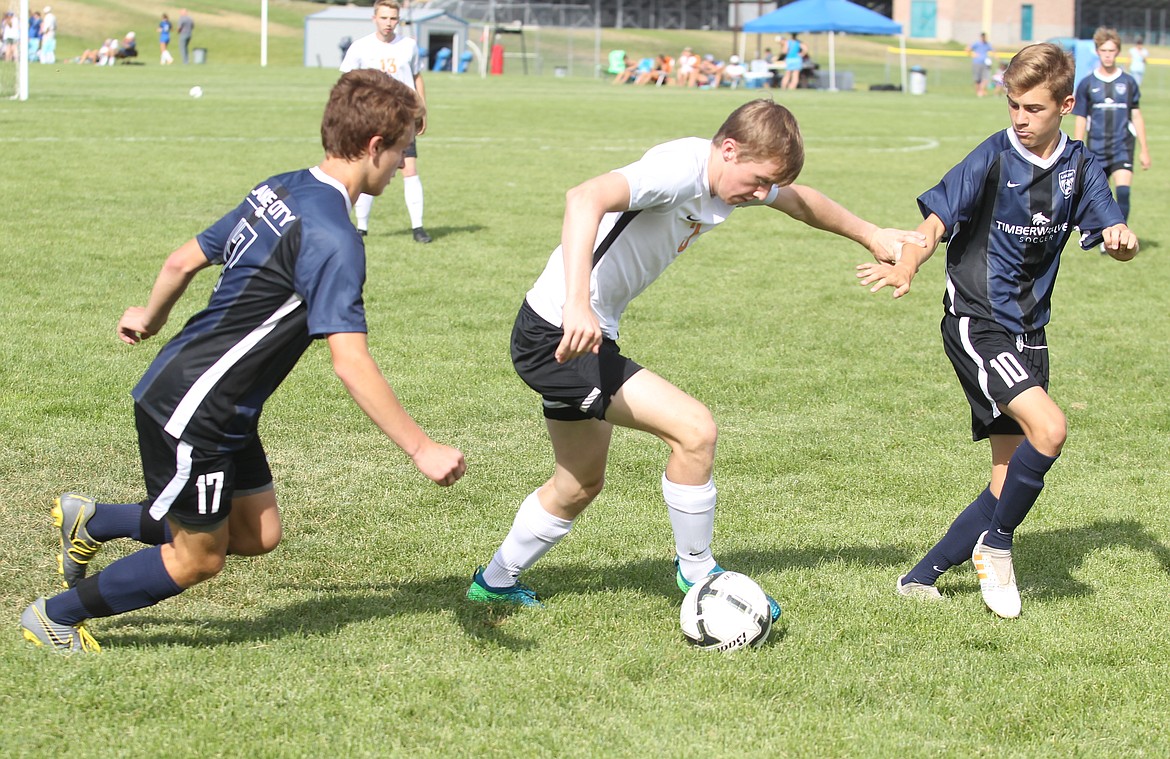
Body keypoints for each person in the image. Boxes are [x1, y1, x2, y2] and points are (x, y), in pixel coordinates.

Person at [19, 69, 467, 654]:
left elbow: (183, 261)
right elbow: (350, 362)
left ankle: (93, 521)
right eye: (406, 145)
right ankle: (53, 616)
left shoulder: (280, 187)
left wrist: (150, 318)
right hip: (192, 407)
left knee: (256, 533)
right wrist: (421, 447)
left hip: (223, 401)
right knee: (197, 558)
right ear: (375, 146)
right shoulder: (336, 238)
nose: (407, 158)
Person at [465, 99, 925, 617]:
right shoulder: (678, 170)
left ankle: (495, 581)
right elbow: (583, 198)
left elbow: (797, 200)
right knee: (694, 430)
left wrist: (871, 234)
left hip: (585, 335)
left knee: (578, 483)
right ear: (728, 149)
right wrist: (576, 304)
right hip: (557, 333)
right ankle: (699, 572)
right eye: (755, 181)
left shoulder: (730, 175)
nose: (757, 194)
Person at [857, 42, 1139, 619]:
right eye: (1013, 104)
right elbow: (935, 221)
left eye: (1032, 108)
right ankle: (997, 545)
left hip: (1031, 332)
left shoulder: (1080, 168)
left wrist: (1122, 242)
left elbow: (1112, 229)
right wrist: (908, 262)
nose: (1019, 118)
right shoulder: (991, 156)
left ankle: (921, 577)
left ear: (1065, 105)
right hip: (978, 324)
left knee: (1007, 480)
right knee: (1052, 428)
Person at [339, 0, 431, 243]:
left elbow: (416, 76)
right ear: (374, 18)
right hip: (372, 118)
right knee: (366, 168)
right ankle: (362, 227)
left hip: (403, 118)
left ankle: (418, 227)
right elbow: (347, 81)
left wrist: (422, 110)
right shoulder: (360, 47)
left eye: (393, 18)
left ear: (398, 20)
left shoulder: (408, 46)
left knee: (409, 169)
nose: (389, 23)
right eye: (384, 18)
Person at [1074, 27, 1151, 226]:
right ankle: (1103, 235)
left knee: (1123, 193)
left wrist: (1144, 150)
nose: (1108, 55)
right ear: (1098, 51)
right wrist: (1077, 151)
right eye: (1104, 51)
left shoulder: (1128, 82)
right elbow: (1081, 119)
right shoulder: (1087, 84)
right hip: (1096, 148)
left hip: (1122, 147)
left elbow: (1136, 115)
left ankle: (1120, 237)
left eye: (1112, 51)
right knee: (1099, 197)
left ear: (1118, 52)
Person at [967, 32, 994, 97]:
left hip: (985, 64)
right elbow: (967, 49)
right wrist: (972, 54)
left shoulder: (987, 44)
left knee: (985, 78)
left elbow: (993, 51)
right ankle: (978, 92)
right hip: (977, 63)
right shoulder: (976, 44)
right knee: (977, 79)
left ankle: (981, 91)